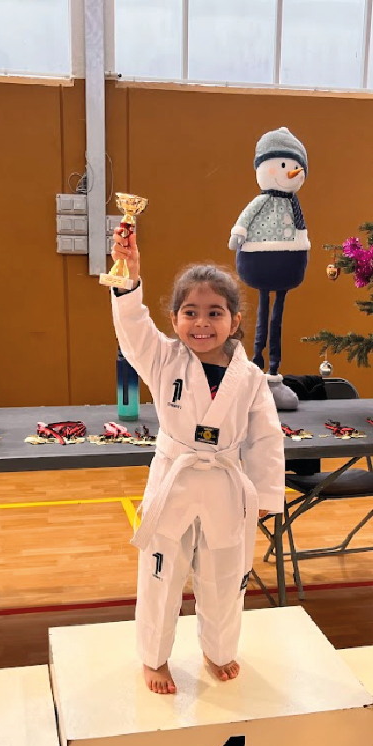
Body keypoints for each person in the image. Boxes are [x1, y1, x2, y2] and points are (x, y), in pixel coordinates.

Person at [110, 228, 284, 695]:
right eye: (190, 312)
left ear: (235, 320)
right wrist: (128, 278)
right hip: (174, 478)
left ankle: (218, 649)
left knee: (225, 574)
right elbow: (132, 329)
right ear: (173, 319)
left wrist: (267, 494)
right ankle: (155, 658)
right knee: (160, 571)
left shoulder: (249, 378)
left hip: (226, 485)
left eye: (214, 313)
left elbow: (266, 438)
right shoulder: (163, 360)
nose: (201, 323)